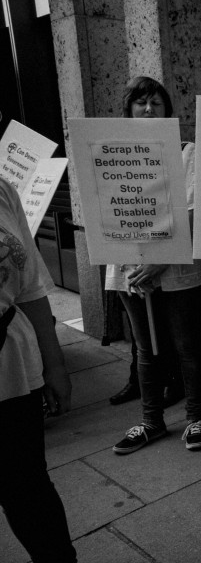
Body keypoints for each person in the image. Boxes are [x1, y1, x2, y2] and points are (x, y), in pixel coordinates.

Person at [109, 76, 201, 455]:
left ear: (169, 110)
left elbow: (192, 211)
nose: (149, 109)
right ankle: (152, 422)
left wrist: (160, 261)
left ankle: (196, 418)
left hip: (177, 268)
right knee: (144, 348)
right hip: (131, 266)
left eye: (156, 102)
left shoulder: (188, 153)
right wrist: (139, 262)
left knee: (187, 344)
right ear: (128, 110)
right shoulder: (113, 154)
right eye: (141, 103)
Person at [0, 176, 77, 562]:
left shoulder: (2, 189)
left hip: (11, 368)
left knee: (27, 487)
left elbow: (30, 288)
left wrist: (55, 366)